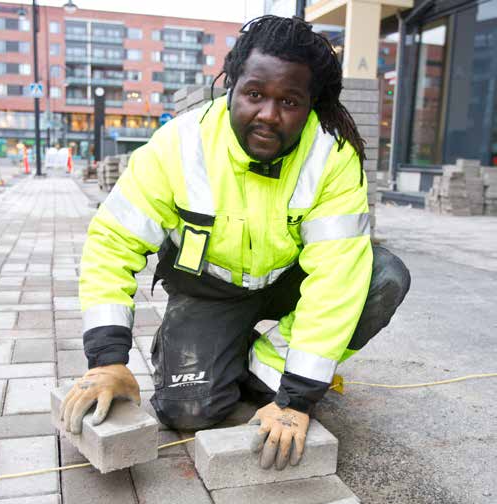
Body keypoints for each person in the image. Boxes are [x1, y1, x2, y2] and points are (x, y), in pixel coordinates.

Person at [60, 15, 410, 471]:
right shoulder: (179, 146)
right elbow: (112, 243)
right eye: (254, 94)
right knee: (188, 411)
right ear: (232, 87)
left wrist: (298, 398)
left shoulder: (332, 156)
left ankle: (265, 362)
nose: (268, 113)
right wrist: (107, 359)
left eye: (289, 100)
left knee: (382, 276)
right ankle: (213, 348)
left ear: (311, 105)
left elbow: (337, 279)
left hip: (289, 279)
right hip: (211, 289)